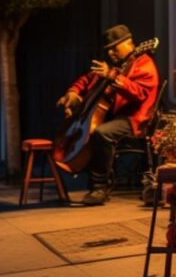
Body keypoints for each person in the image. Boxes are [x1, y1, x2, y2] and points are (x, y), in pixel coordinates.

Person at [57, 24, 159, 206]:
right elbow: (87, 79)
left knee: (101, 133)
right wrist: (73, 93)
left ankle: (100, 187)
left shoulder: (144, 64)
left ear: (128, 43)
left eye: (115, 48)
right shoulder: (116, 65)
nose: (111, 53)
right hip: (115, 115)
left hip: (134, 119)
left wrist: (113, 77)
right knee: (92, 129)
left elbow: (140, 94)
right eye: (108, 49)